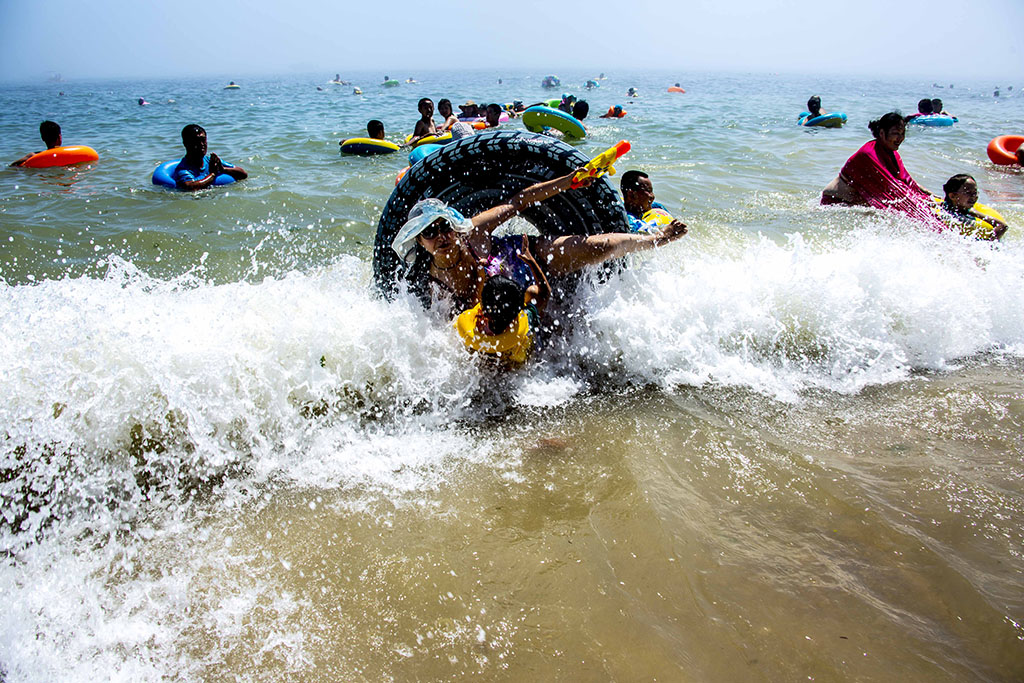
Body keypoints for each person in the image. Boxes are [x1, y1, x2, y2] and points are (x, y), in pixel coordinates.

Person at [391, 172, 689, 315]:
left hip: (521, 256)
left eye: (445, 227)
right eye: (430, 233)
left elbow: (520, 200)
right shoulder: (429, 278)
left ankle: (656, 238)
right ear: (419, 240)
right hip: (503, 298)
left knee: (594, 248)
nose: (441, 237)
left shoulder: (474, 232)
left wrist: (570, 181)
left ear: (454, 227)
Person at [820, 112, 942, 228]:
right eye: (895, 133)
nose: (900, 138)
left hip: (856, 205)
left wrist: (933, 198)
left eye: (902, 133)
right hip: (835, 204)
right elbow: (894, 188)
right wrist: (928, 218)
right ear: (882, 133)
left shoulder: (892, 154)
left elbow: (908, 183)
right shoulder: (868, 154)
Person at [454, 235, 551, 366]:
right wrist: (531, 261)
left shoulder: (472, 329)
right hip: (519, 367)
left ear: (484, 311)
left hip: (487, 372)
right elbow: (544, 293)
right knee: (533, 293)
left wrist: (480, 274)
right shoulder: (526, 320)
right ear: (518, 310)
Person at [171, 124, 248, 191]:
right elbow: (190, 187)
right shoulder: (183, 169)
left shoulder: (209, 160)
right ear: (186, 143)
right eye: (196, 141)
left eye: (203, 140)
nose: (202, 144)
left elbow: (243, 174)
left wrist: (222, 169)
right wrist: (212, 174)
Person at [937, 174, 1008, 240]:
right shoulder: (941, 207)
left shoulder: (970, 212)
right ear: (953, 196)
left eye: (975, 192)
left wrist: (989, 244)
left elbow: (1003, 226)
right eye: (968, 192)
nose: (974, 196)